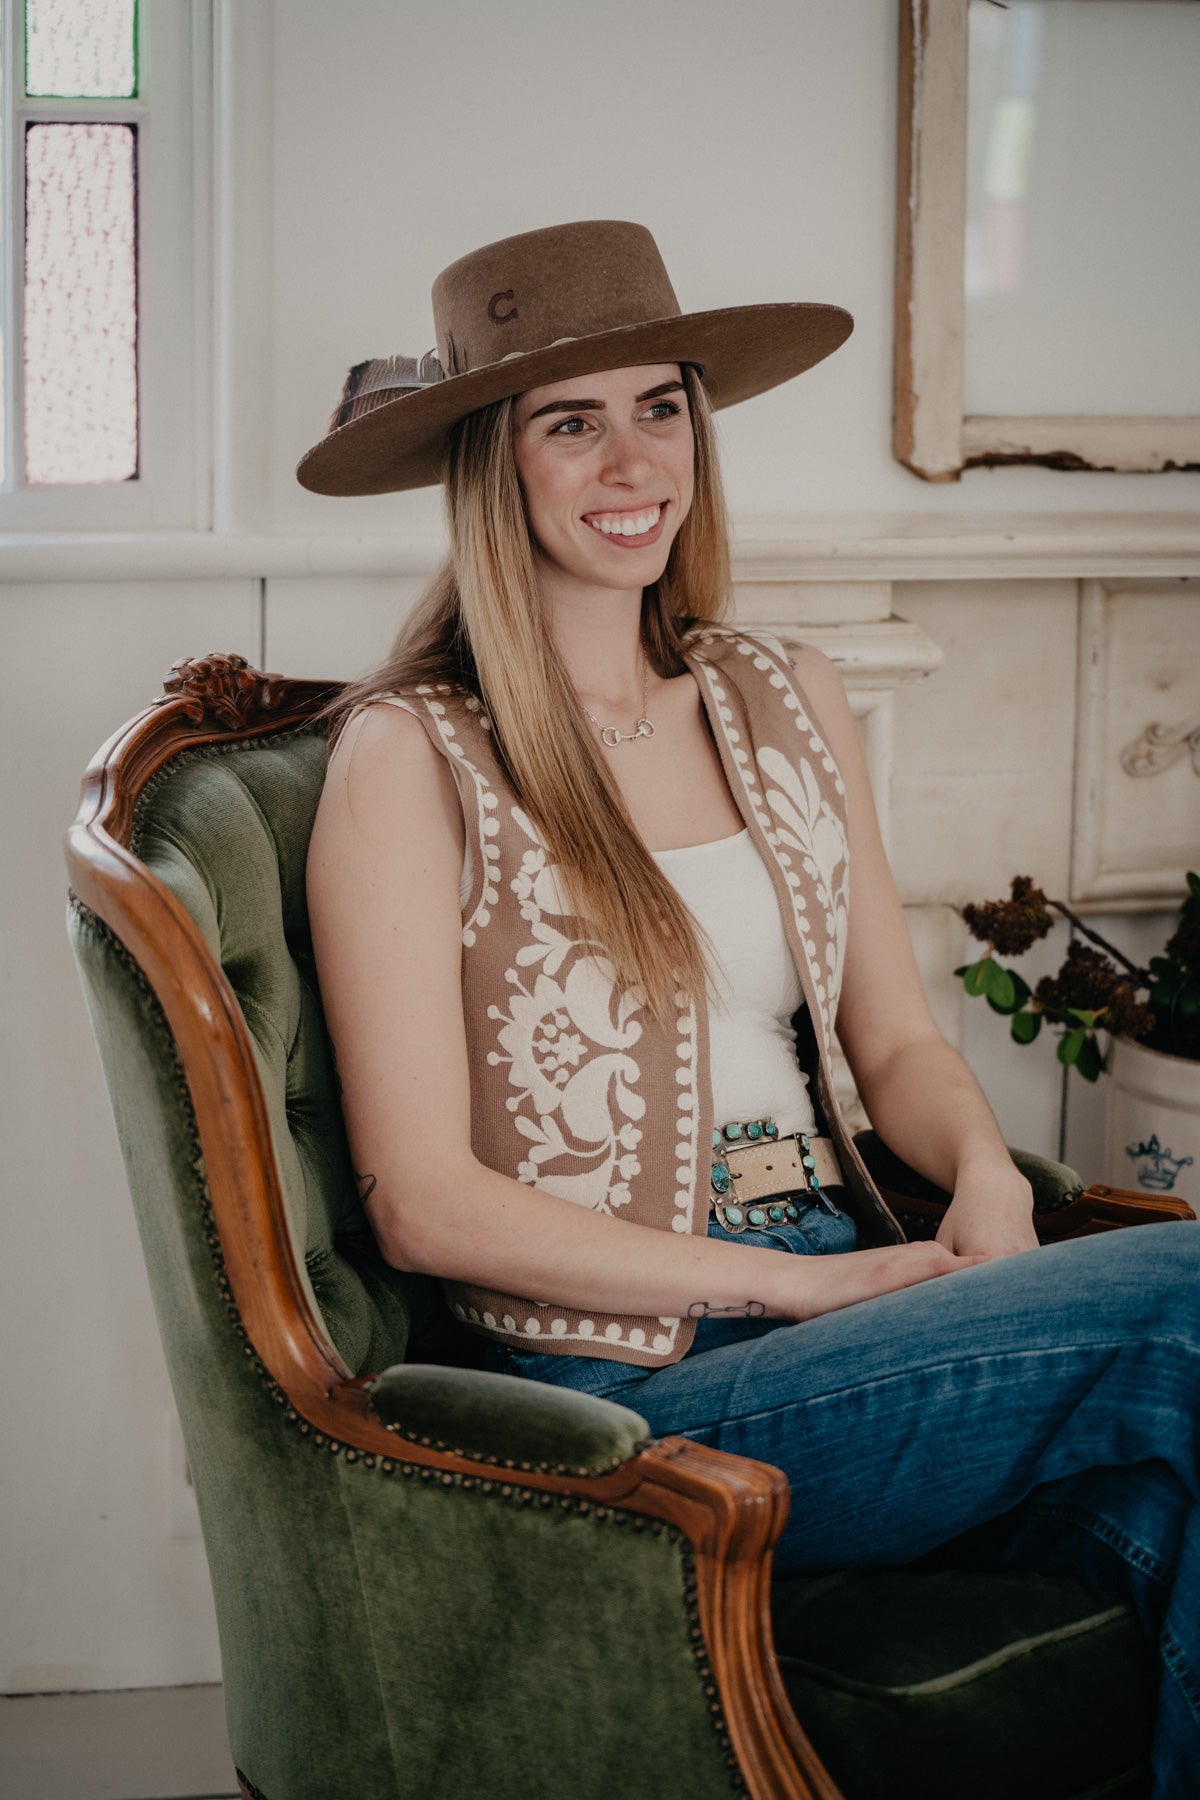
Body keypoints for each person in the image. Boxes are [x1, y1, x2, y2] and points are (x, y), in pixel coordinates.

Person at [299, 221, 1199, 1796]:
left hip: (863, 1286)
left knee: (1173, 1506)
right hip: (631, 1382)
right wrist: (794, 1295)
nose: (632, 457)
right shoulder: (413, 758)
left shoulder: (782, 692)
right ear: (491, 468)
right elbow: (423, 1205)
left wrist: (988, 1182)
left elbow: (899, 1044)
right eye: (570, 420)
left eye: (663, 405)